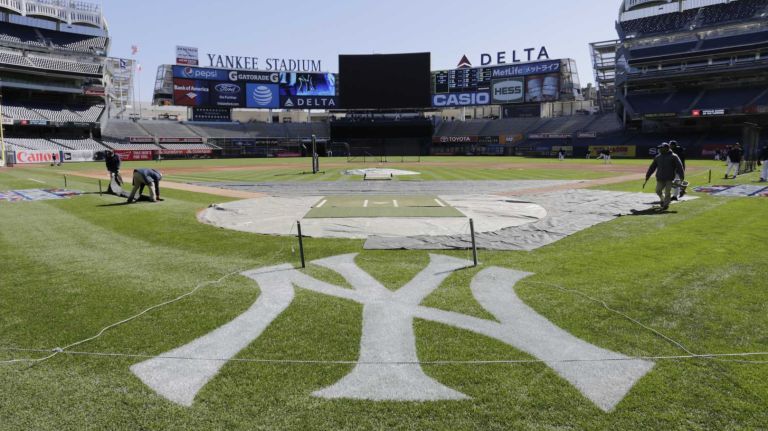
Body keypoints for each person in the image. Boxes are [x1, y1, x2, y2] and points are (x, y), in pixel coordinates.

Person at [645, 142, 685, 211]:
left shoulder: (674, 156)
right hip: (660, 178)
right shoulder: (658, 157)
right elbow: (652, 167)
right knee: (658, 191)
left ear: (666, 148)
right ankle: (662, 199)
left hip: (669, 178)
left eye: (661, 148)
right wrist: (647, 176)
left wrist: (681, 177)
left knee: (667, 192)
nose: (659, 149)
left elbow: (679, 167)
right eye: (659, 148)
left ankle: (666, 205)